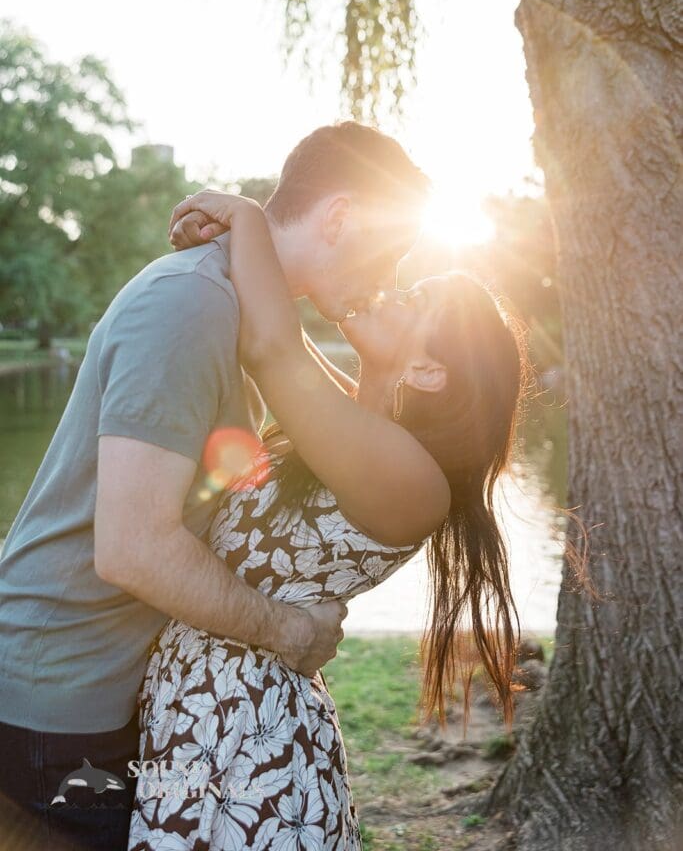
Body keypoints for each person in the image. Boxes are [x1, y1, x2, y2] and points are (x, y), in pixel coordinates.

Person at [0, 122, 429, 851]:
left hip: (107, 692)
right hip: (60, 706)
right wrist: (289, 630)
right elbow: (133, 548)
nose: (387, 277)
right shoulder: (190, 304)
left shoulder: (243, 313)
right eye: (391, 251)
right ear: (339, 218)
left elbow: (340, 458)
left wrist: (382, 372)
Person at [125, 190, 524, 849]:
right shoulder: (363, 422)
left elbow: (272, 348)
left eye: (411, 299)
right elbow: (289, 341)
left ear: (427, 371)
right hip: (207, 706)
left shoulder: (413, 478)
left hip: (247, 734)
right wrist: (319, 276)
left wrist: (247, 216)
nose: (388, 291)